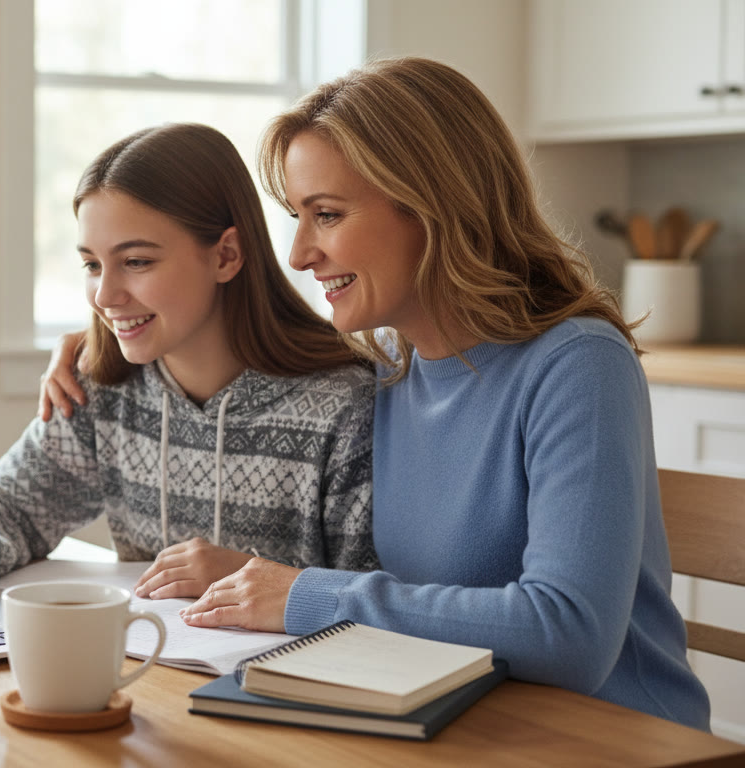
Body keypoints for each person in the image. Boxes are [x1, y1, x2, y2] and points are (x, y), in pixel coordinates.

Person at [38, 59, 710, 729]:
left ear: (432, 206)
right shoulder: (386, 366)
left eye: (325, 215)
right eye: (296, 217)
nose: (299, 254)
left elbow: (568, 634)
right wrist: (102, 335)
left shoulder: (577, 365)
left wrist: (302, 593)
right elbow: (255, 348)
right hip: (446, 722)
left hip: (607, 737)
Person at [0, 123, 379, 601]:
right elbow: (13, 503)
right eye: (92, 264)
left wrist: (250, 576)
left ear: (226, 256)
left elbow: (375, 596)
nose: (105, 296)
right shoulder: (103, 387)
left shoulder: (342, 406)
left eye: (136, 262)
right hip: (144, 667)